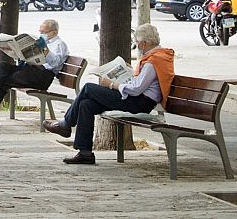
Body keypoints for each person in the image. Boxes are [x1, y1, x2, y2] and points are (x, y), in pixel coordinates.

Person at [43, 24, 175, 164]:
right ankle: (85, 153)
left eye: (137, 43)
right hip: (136, 99)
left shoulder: (153, 61)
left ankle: (66, 123)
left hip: (139, 102)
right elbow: (141, 83)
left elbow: (136, 89)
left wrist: (111, 84)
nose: (137, 46)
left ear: (143, 43)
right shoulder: (157, 56)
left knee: (88, 88)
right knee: (86, 104)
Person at [0, 19, 69, 126]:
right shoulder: (41, 41)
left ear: (54, 32)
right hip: (30, 70)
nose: (41, 34)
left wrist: (45, 49)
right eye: (40, 31)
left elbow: (55, 63)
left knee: (3, 80)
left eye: (44, 32)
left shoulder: (59, 44)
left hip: (42, 76)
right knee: (3, 66)